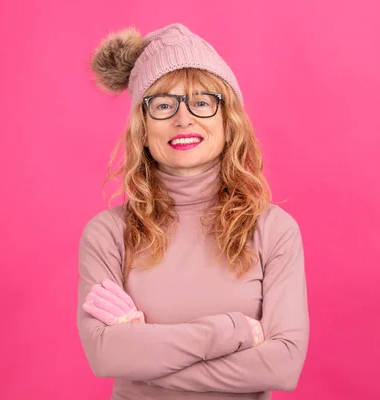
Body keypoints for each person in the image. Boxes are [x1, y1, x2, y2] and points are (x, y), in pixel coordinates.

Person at [77, 22, 309, 399]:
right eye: (164, 104)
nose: (183, 119)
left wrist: (144, 362)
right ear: (143, 126)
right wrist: (232, 331)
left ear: (227, 121)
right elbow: (105, 356)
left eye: (202, 102)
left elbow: (282, 364)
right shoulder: (108, 234)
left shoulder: (273, 230)